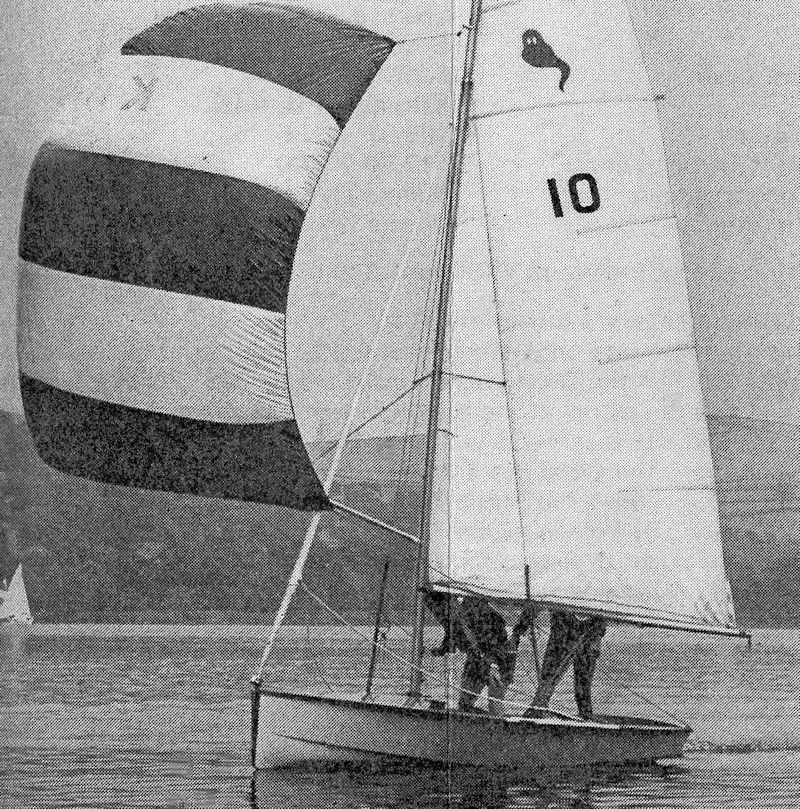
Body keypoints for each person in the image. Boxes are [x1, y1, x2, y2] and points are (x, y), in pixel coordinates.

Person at [424, 590, 514, 715]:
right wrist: (439, 650)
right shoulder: (453, 618)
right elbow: (450, 639)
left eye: (436, 609)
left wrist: (491, 661)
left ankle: (496, 721)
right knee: (465, 705)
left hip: (496, 662)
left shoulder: (478, 613)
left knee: (495, 703)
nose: (436, 614)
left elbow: (499, 640)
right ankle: (482, 719)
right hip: (476, 660)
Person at [513, 606, 607, 719]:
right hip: (561, 638)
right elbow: (534, 604)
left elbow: (603, 610)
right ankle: (536, 712)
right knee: (547, 680)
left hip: (588, 635)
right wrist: (517, 633)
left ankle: (586, 717)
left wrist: (598, 635)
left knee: (583, 686)